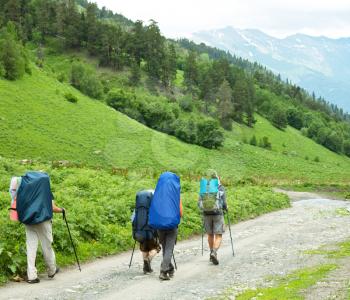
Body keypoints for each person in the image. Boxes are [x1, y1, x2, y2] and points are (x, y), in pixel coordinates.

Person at [11, 172, 65, 284]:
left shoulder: (25, 188)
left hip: (28, 220)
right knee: (47, 246)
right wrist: (62, 210)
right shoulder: (45, 190)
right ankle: (51, 270)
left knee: (31, 247)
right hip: (43, 221)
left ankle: (32, 276)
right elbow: (52, 207)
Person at [148, 172, 183, 281]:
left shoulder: (157, 194)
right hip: (172, 226)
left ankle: (170, 268)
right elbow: (181, 212)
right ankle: (163, 271)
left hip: (159, 225)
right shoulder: (175, 195)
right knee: (169, 249)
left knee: (165, 248)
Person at [198, 170, 227, 265]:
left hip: (206, 214)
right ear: (217, 178)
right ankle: (214, 252)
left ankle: (211, 252)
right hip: (218, 214)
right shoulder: (220, 187)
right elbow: (224, 202)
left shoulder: (204, 188)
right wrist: (226, 209)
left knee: (210, 234)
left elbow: (199, 202)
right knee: (218, 235)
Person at [131, 189, 161, 274]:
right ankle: (148, 260)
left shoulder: (138, 207)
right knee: (156, 247)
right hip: (151, 231)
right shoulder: (154, 205)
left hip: (140, 231)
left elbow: (132, 219)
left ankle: (146, 268)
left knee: (144, 249)